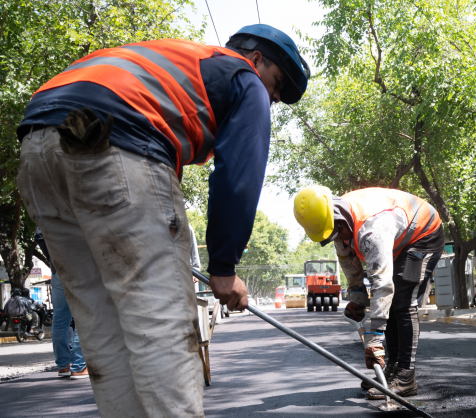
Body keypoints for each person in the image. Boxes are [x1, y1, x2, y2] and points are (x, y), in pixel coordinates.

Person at [16, 24, 310, 417]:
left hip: (36, 149)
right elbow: (239, 176)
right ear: (256, 59)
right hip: (115, 136)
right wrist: (224, 268)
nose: (272, 98)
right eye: (277, 85)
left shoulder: (173, 62)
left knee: (103, 329)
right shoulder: (244, 77)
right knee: (162, 325)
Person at [293, 186, 444, 399]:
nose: (339, 239)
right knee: (391, 302)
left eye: (338, 234)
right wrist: (358, 298)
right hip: (398, 239)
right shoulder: (338, 221)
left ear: (339, 219)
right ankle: (392, 368)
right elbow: (348, 262)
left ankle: (406, 376)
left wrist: (374, 339)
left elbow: (382, 286)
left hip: (423, 234)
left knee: (402, 300)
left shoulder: (372, 230)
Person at [36, 228, 88, 380]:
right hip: (80, 267)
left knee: (60, 318)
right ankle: (79, 366)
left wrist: (53, 258)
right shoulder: (76, 213)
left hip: (58, 268)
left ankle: (64, 366)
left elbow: (39, 234)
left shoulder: (50, 213)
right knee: (83, 316)